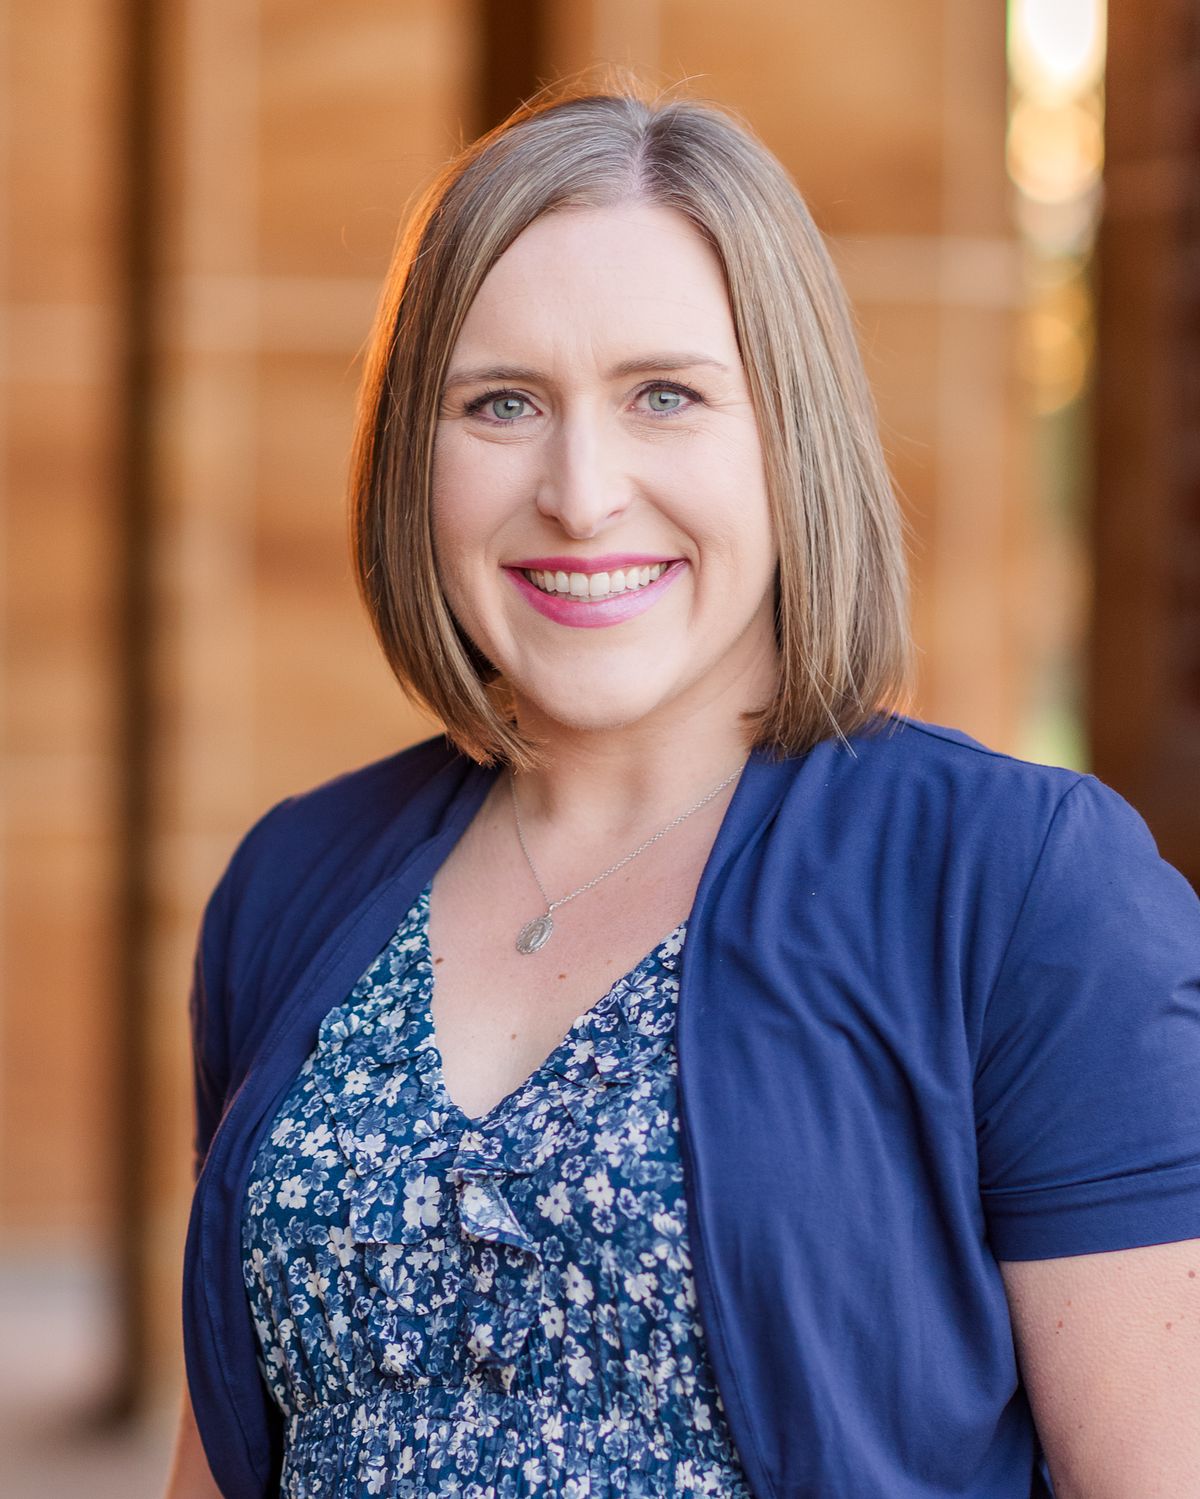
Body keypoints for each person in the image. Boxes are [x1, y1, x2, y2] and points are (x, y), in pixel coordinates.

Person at [165, 79, 1200, 1499]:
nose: (581, 492)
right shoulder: (293, 882)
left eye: (665, 395)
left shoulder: (1021, 886)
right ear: (417, 453)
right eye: (502, 403)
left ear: (789, 434)